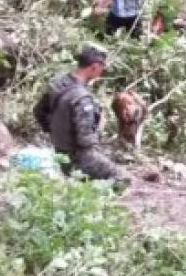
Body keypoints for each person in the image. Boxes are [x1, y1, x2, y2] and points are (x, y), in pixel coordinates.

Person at [33, 44, 127, 185]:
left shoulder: (58, 84)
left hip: (59, 152)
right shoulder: (82, 98)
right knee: (123, 179)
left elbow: (38, 112)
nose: (101, 72)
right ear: (95, 67)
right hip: (78, 158)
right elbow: (85, 141)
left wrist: (55, 130)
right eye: (102, 68)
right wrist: (100, 127)